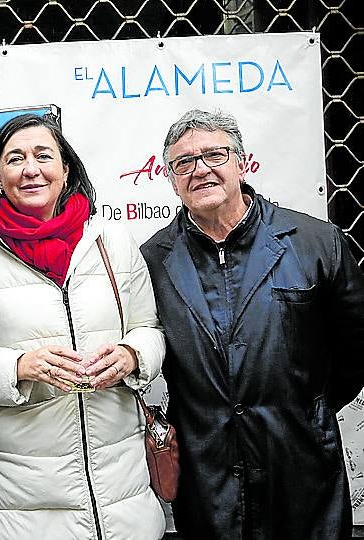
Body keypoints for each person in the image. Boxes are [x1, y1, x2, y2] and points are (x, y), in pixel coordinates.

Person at [140, 108, 364, 540]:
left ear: (241, 163)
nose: (200, 169)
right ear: (170, 178)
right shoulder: (153, 262)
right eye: (183, 162)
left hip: (301, 467)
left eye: (213, 155)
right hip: (209, 482)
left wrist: (305, 410)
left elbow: (356, 346)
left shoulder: (314, 243)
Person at [0, 113, 167, 539]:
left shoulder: (113, 242)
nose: (30, 169)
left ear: (65, 169)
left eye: (43, 155)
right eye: (15, 159)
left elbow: (150, 329)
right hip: (24, 498)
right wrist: (19, 366)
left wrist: (131, 355)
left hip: (121, 491)